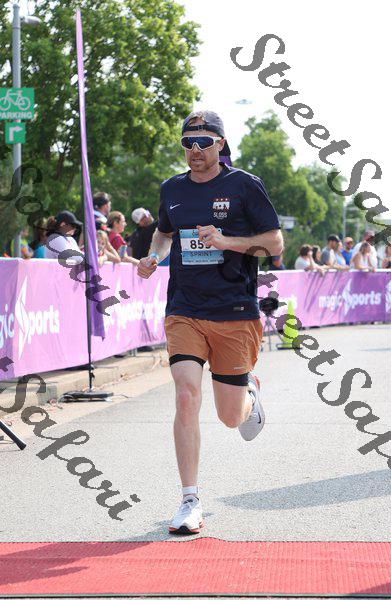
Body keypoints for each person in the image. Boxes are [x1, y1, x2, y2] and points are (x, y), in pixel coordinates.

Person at [138, 109, 283, 535]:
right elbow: (164, 232)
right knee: (186, 395)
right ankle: (189, 499)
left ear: (220, 143)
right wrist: (154, 256)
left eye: (204, 141)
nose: (195, 150)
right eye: (188, 142)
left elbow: (274, 244)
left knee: (230, 417)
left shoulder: (244, 185)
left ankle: (249, 394)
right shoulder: (172, 189)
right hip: (184, 308)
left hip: (234, 310)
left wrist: (226, 241)